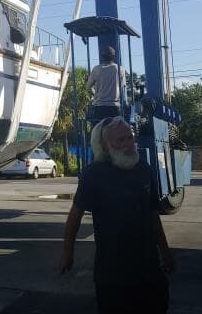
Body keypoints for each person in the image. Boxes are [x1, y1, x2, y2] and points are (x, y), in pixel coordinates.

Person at [60, 116, 175, 314]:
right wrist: (67, 253)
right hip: (112, 275)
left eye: (130, 137)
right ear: (104, 146)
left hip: (149, 269)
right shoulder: (93, 174)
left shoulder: (144, 170)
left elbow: (153, 217)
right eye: (120, 140)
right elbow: (75, 216)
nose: (128, 144)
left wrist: (165, 253)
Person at [87, 45, 126, 119]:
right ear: (114, 56)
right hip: (114, 106)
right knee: (115, 126)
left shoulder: (96, 69)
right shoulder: (120, 69)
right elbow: (122, 87)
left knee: (99, 126)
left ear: (103, 56)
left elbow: (88, 87)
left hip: (100, 107)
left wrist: (95, 94)